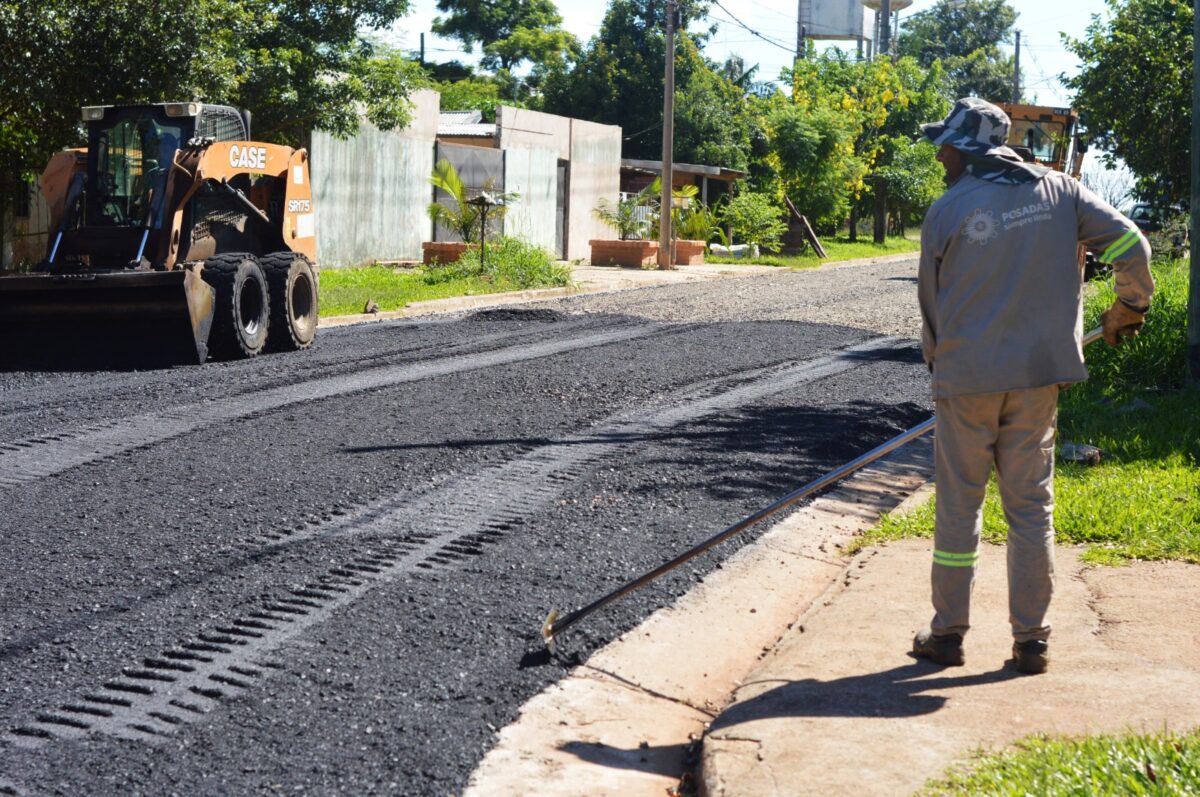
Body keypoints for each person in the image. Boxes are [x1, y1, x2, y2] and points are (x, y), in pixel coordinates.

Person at [912, 97, 1154, 675]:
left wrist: (942, 368)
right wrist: (1130, 304)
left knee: (958, 510)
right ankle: (1031, 642)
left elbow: (932, 313)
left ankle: (947, 636)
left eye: (944, 143)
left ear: (967, 147)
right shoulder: (1062, 193)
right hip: (1038, 377)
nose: (939, 153)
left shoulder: (947, 210)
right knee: (1030, 509)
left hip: (967, 379)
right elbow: (1132, 248)